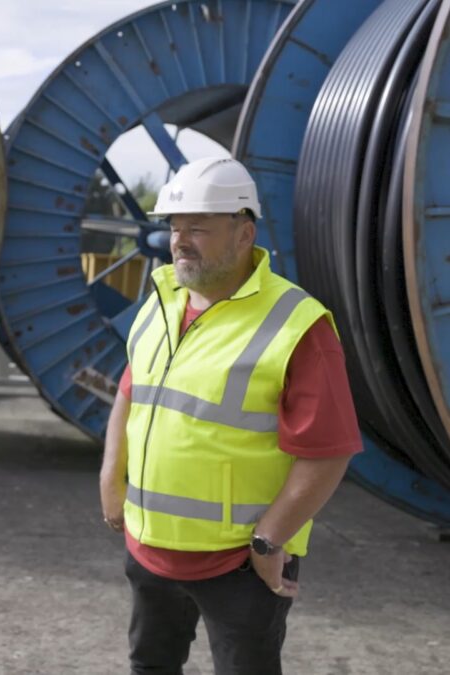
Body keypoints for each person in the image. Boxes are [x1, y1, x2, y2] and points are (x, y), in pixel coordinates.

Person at [98, 157, 362, 675]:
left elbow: (327, 453)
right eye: (175, 227)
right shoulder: (161, 299)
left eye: (198, 227)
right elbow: (133, 391)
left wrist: (270, 539)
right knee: (149, 666)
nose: (179, 241)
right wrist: (112, 477)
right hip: (150, 548)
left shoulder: (297, 325)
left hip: (238, 563)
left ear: (244, 234)